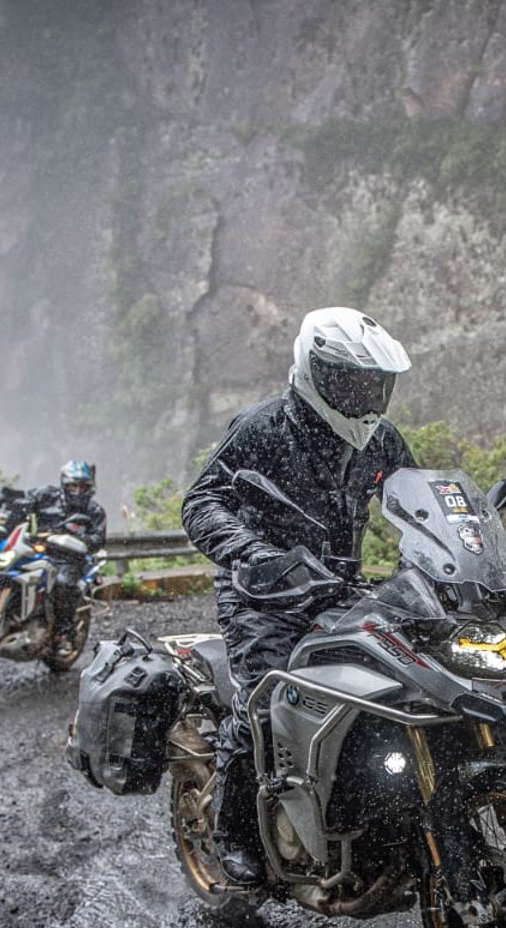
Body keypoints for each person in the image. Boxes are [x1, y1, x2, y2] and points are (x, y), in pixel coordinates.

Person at [182, 307, 416, 887]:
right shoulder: (263, 427)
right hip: (262, 594)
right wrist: (252, 551)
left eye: (375, 384)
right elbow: (201, 503)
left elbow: (416, 503)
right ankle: (235, 835)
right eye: (353, 382)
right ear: (317, 373)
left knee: (402, 687)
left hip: (340, 587)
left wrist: (467, 551)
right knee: (263, 700)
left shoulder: (379, 439)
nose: (366, 396)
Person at [32, 460, 107, 642]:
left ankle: (64, 632)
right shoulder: (46, 497)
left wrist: (73, 541)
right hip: (41, 553)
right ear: (64, 484)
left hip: (72, 560)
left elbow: (97, 541)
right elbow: (24, 502)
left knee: (63, 583)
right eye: (72, 485)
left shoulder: (94, 511)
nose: (77, 490)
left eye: (82, 486)